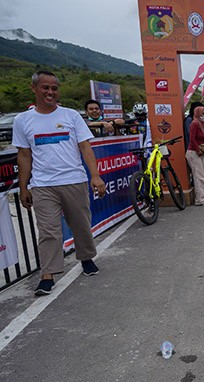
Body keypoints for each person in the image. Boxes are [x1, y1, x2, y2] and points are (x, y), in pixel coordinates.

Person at [12, 71, 107, 296]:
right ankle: (48, 274)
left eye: (54, 88)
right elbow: (24, 156)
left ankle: (85, 258)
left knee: (81, 225)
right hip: (43, 184)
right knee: (48, 231)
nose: (50, 92)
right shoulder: (22, 120)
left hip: (74, 180)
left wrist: (95, 176)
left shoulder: (71, 115)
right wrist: (23, 187)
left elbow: (85, 147)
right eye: (45, 88)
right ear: (33, 88)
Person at [186, 105, 204, 206]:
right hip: (194, 153)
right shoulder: (194, 124)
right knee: (199, 176)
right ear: (197, 114)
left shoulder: (202, 124)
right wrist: (198, 150)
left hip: (202, 153)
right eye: (203, 114)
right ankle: (201, 199)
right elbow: (192, 139)